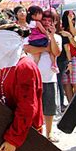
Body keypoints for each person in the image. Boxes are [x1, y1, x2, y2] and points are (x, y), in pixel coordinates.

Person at [0, 20, 43, 151]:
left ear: (6, 43)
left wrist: (13, 139)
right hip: (14, 129)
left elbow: (27, 108)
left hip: (25, 134)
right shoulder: (9, 66)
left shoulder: (25, 67)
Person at [24, 10, 61, 142]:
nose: (46, 22)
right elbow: (27, 49)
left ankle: (49, 132)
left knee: (49, 107)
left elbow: (56, 52)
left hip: (49, 78)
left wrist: (51, 37)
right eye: (44, 20)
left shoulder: (57, 37)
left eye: (49, 20)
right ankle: (33, 132)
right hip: (32, 77)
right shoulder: (31, 34)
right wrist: (46, 49)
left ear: (54, 22)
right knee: (31, 107)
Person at [26, 6, 57, 73]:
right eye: (39, 14)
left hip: (32, 40)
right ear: (33, 16)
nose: (41, 15)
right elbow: (43, 31)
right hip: (40, 39)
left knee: (37, 55)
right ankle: (54, 64)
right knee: (51, 50)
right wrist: (48, 36)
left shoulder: (29, 23)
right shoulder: (37, 23)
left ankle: (35, 66)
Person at [60, 10, 76, 104]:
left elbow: (74, 44)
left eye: (73, 18)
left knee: (75, 82)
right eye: (69, 18)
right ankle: (70, 104)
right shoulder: (61, 30)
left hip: (74, 58)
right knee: (66, 83)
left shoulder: (75, 31)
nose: (72, 20)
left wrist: (69, 35)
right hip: (64, 59)